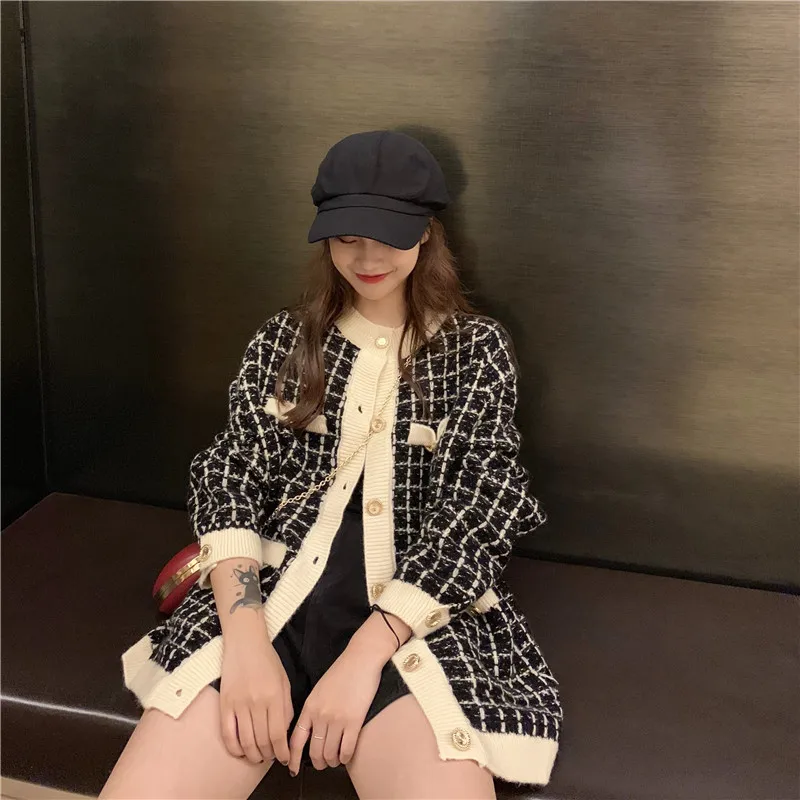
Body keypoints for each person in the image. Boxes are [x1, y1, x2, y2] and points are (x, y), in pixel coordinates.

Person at [101, 130, 563, 800]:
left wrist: (362, 659)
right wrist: (246, 645)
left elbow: (479, 512)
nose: (367, 258)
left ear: (427, 232)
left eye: (388, 236)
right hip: (268, 599)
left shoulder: (475, 350)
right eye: (347, 237)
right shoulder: (286, 340)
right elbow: (231, 476)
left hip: (416, 624)